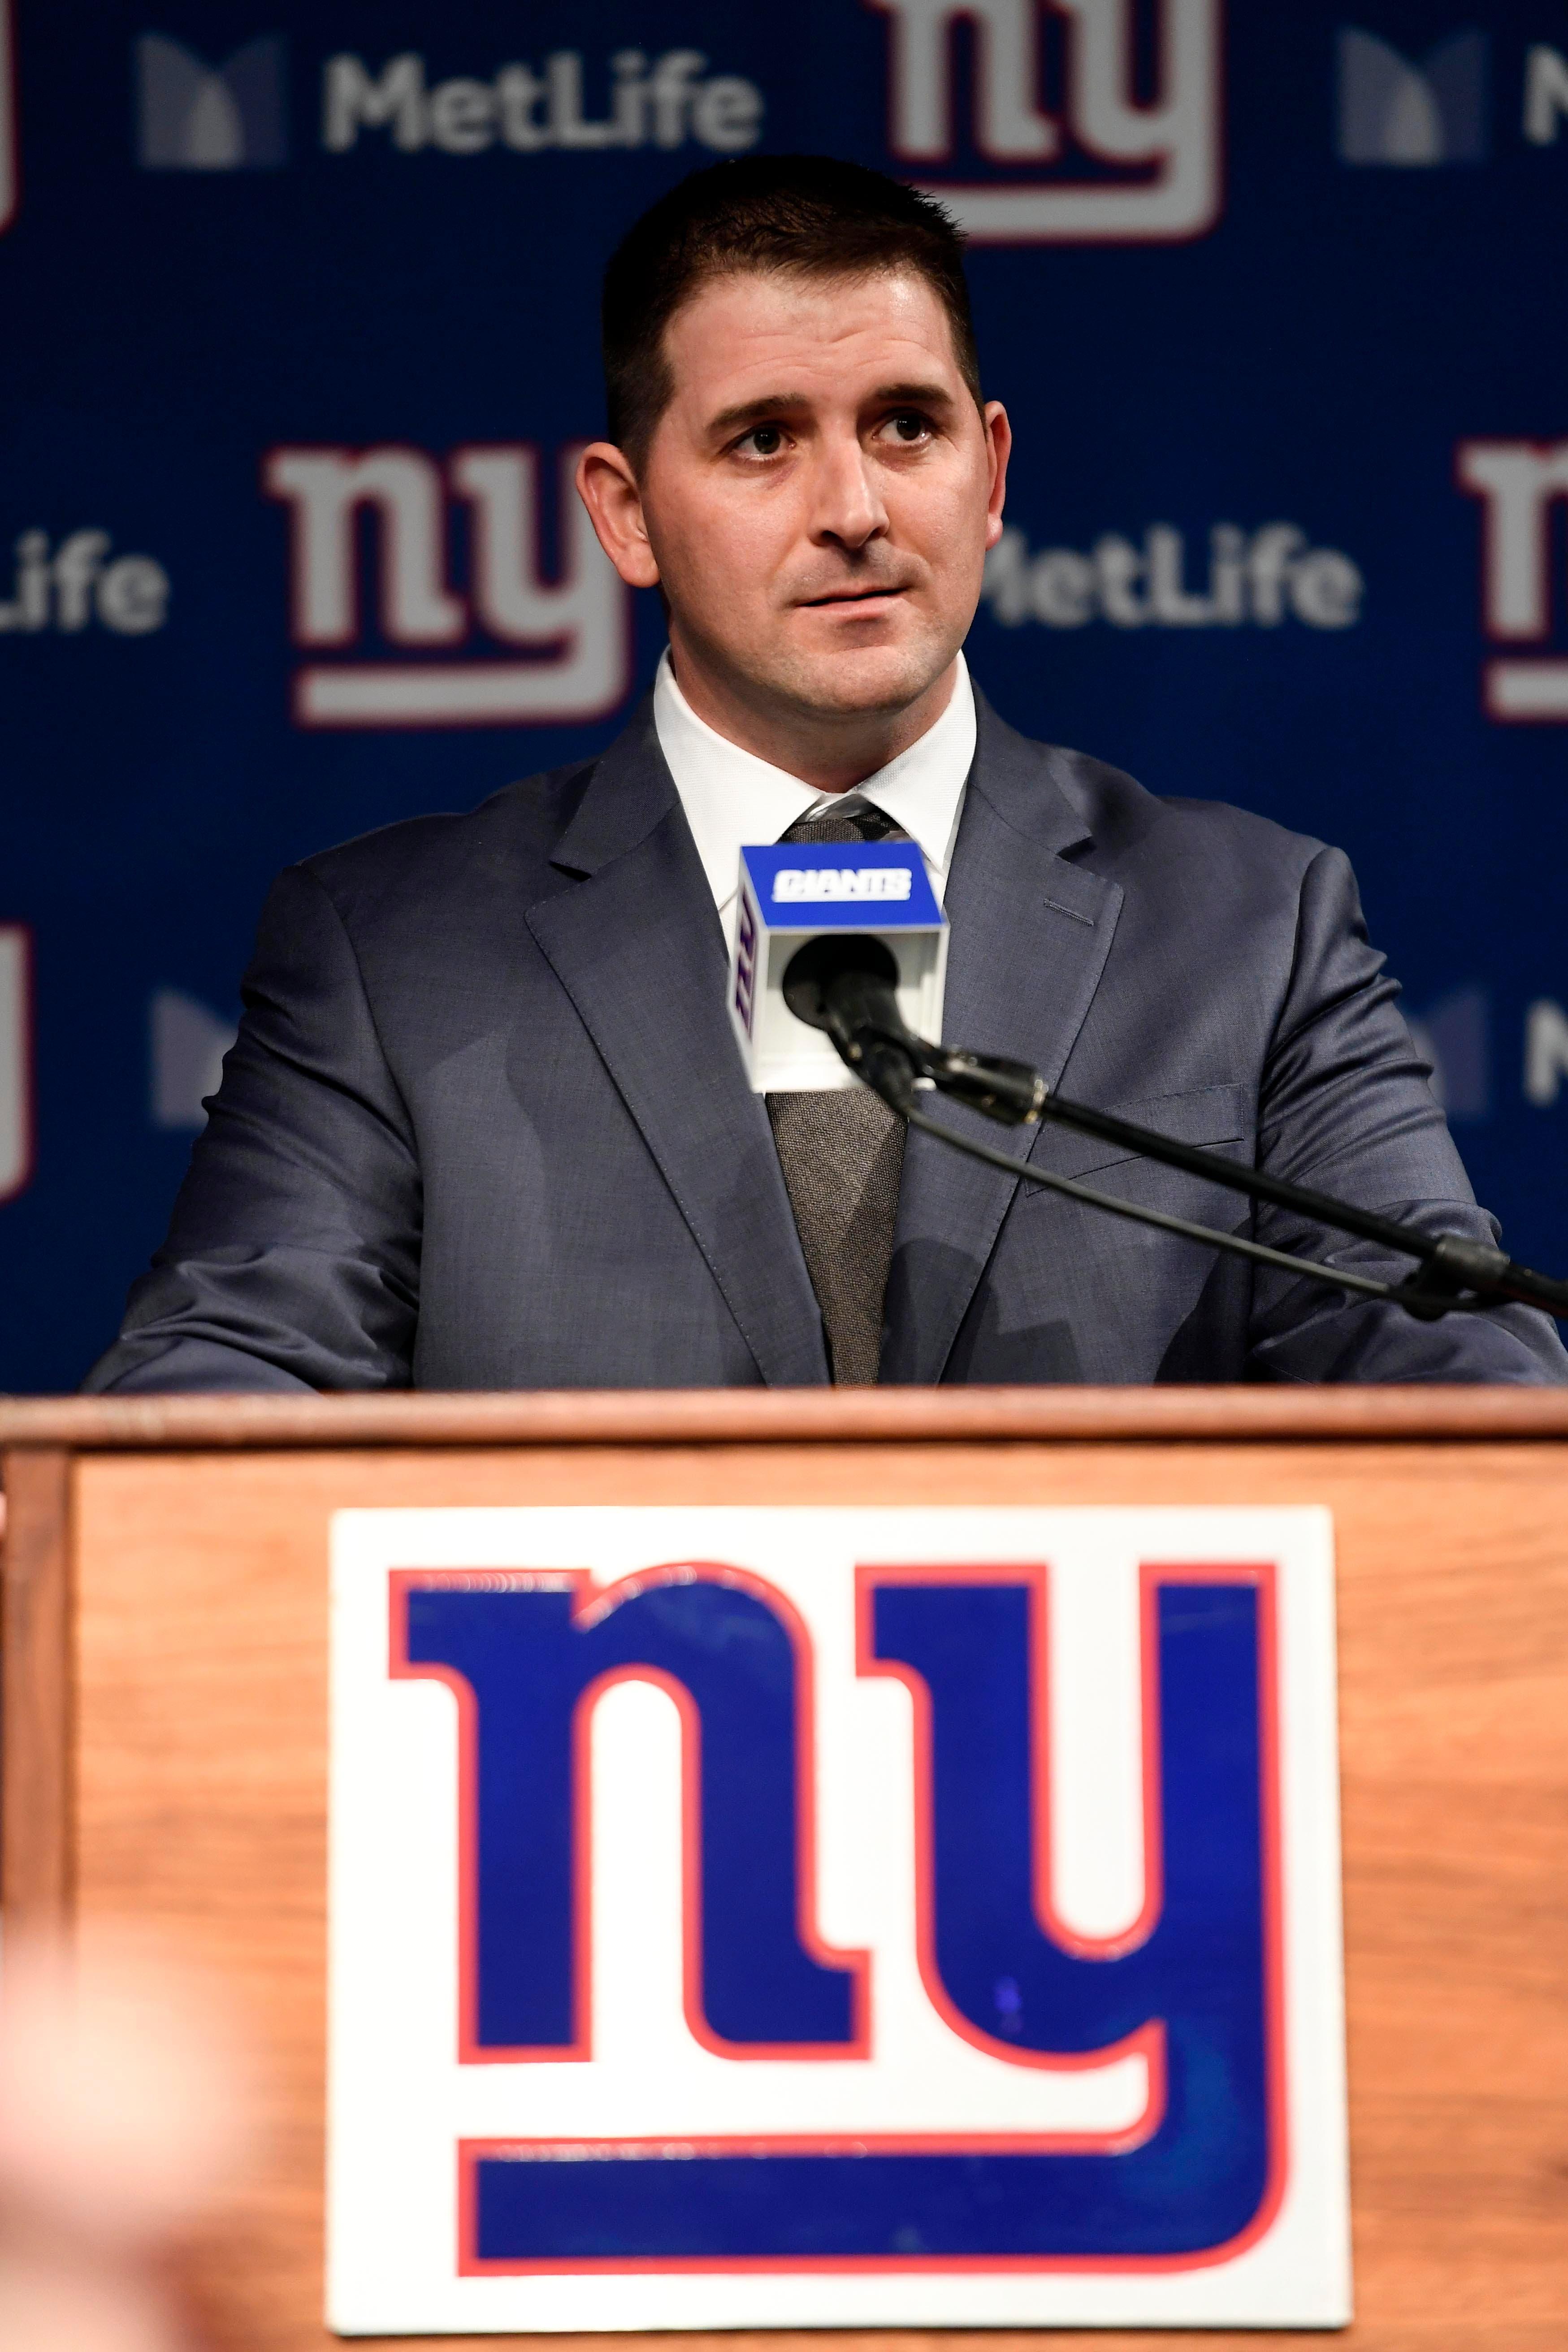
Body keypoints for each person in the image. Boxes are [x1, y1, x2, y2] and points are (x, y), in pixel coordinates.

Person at [85, 157, 1566, 1393]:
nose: (852, 508)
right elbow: (225, 1395)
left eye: (903, 427)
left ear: (987, 476)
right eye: (761, 442)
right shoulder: (393, 952)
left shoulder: (1252, 924)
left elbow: (1438, 1363)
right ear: (624, 514)